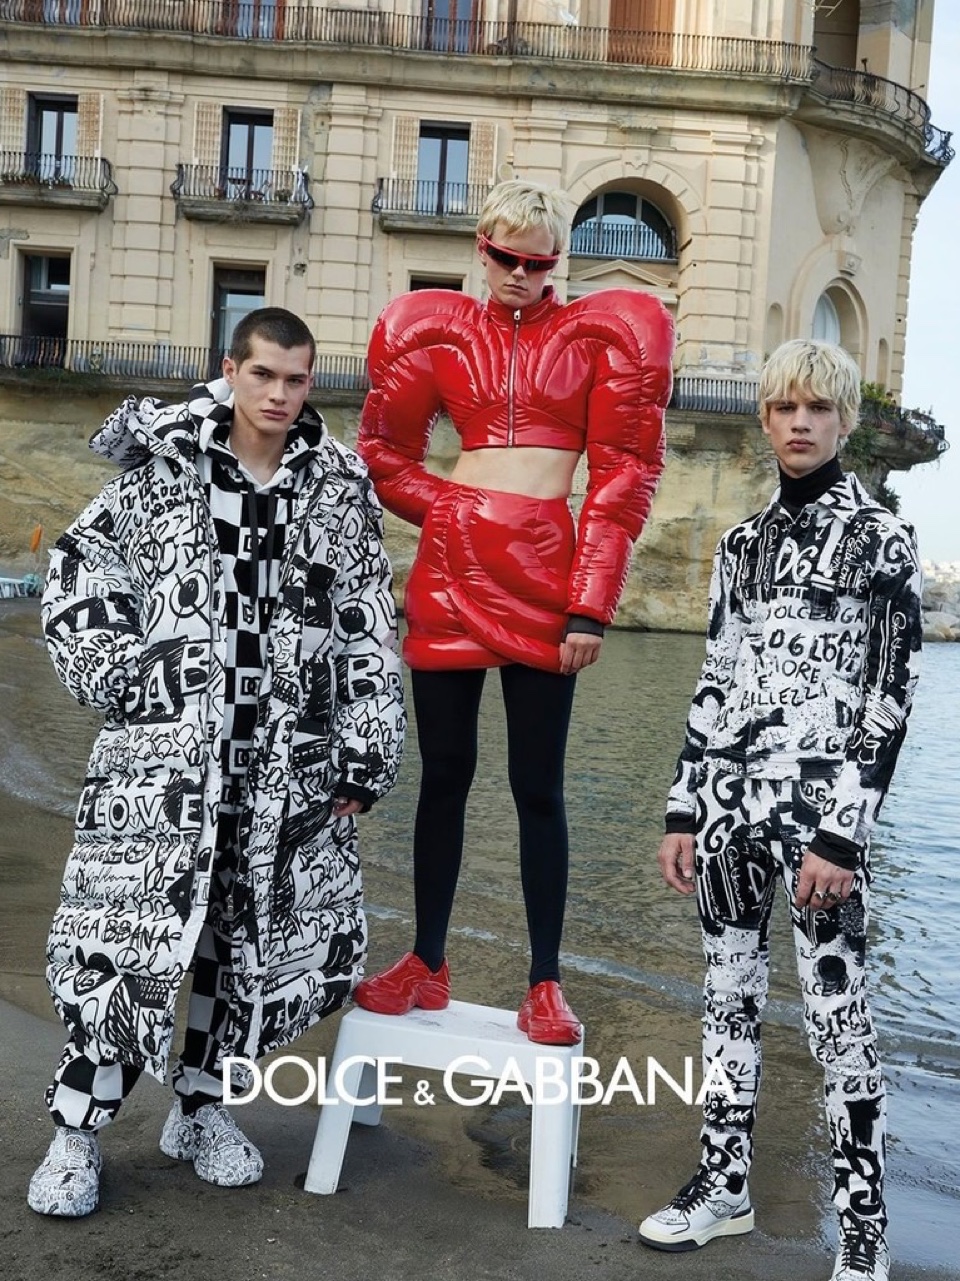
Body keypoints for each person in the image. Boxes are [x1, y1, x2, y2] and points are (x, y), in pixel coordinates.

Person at [27, 307, 405, 1217]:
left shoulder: (335, 491)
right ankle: (76, 1132)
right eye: (263, 374)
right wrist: (127, 675)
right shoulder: (164, 471)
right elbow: (80, 570)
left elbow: (367, 621)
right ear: (231, 370)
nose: (279, 394)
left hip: (281, 772)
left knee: (242, 948)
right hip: (162, 768)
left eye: (297, 379)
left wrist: (366, 748)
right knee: (127, 942)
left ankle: (202, 1108)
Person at [353, 179, 674, 1044]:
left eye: (537, 262)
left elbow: (624, 474)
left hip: (545, 575)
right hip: (450, 569)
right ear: (482, 248)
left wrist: (591, 606)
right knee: (443, 776)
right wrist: (456, 511)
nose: (520, 275)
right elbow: (382, 450)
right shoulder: (437, 333)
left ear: (555, 261)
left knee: (538, 786)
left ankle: (544, 981)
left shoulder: (600, 335)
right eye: (505, 257)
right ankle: (425, 961)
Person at [638, 340, 923, 1281]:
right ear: (764, 418)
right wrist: (683, 808)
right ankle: (724, 1185)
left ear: (844, 419)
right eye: (784, 407)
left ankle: (865, 1228)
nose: (799, 422)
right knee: (726, 1000)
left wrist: (845, 830)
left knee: (839, 1018)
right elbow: (715, 677)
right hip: (730, 810)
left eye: (817, 407)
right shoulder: (741, 546)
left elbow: (890, 698)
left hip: (820, 822)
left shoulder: (881, 539)